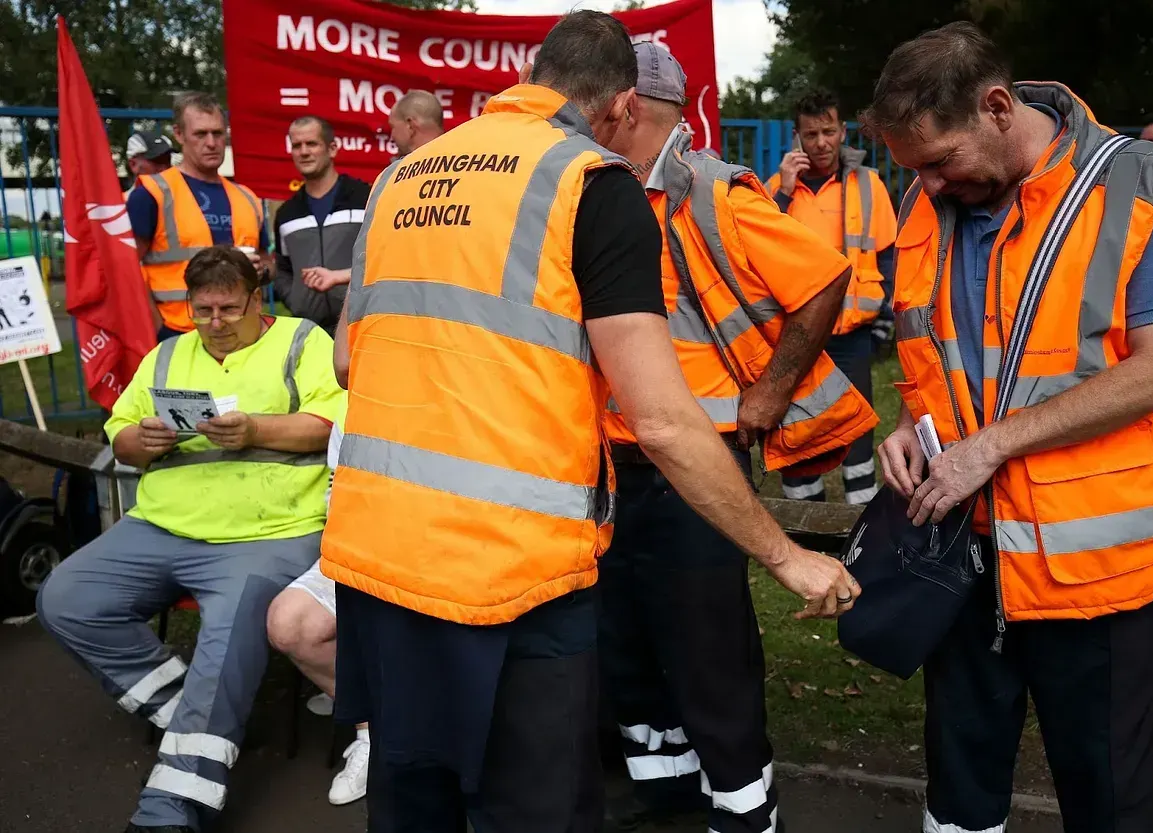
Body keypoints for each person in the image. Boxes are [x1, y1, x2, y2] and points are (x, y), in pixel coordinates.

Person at [319, 11, 861, 832]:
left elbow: (349, 364)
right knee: (538, 806)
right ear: (615, 108)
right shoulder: (590, 182)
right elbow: (665, 420)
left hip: (380, 555)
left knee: (415, 796)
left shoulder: (401, 179)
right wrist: (787, 556)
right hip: (514, 570)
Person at [864, 22, 1153, 833]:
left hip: (1090, 570)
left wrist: (991, 445)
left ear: (997, 106)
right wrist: (908, 422)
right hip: (961, 557)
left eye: (939, 162)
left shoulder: (1132, 187)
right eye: (914, 169)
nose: (928, 185)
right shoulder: (932, 199)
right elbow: (940, 355)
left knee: (1108, 798)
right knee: (959, 790)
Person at [596, 44, 878, 832]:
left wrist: (772, 391)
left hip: (696, 462)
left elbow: (825, 276)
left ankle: (744, 808)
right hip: (613, 463)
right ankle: (667, 788)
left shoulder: (714, 192)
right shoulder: (608, 194)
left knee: (707, 648)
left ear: (631, 107)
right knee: (629, 637)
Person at [36, 246, 345, 833]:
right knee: (64, 599)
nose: (214, 324)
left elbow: (331, 424)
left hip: (267, 532)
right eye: (202, 311)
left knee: (226, 641)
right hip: (162, 524)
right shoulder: (169, 351)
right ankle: (187, 709)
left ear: (257, 299)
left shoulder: (303, 341)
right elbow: (119, 435)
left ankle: (172, 810)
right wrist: (140, 440)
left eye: (228, 310)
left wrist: (256, 429)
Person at [767, 89, 900, 506]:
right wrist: (784, 192)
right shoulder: (774, 189)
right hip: (796, 337)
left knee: (857, 430)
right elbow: (758, 252)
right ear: (797, 138)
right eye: (811, 134)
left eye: (828, 131)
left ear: (843, 132)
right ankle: (806, 524)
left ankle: (860, 521)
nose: (821, 143)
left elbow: (888, 257)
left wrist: (882, 326)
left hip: (851, 336)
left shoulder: (868, 184)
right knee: (800, 429)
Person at [266, 420, 371, 807]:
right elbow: (337, 498)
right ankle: (374, 731)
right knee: (290, 624)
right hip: (365, 544)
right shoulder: (357, 406)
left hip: (451, 556)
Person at [128, 92, 270, 341]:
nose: (212, 143)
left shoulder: (248, 198)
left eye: (218, 133)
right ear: (179, 134)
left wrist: (263, 270)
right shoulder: (152, 194)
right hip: (178, 333)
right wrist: (155, 327)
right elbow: (126, 269)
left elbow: (269, 262)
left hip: (243, 334)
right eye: (200, 134)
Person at [273, 116, 371, 333]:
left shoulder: (365, 198)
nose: (304, 152)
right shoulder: (286, 214)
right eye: (297, 145)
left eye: (312, 143)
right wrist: (295, 300)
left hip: (360, 325)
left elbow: (382, 256)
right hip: (308, 329)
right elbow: (282, 269)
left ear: (332, 148)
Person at [388, 90, 445, 157]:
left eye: (393, 127)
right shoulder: (458, 155)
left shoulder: (398, 167)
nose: (392, 137)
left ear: (410, 126)